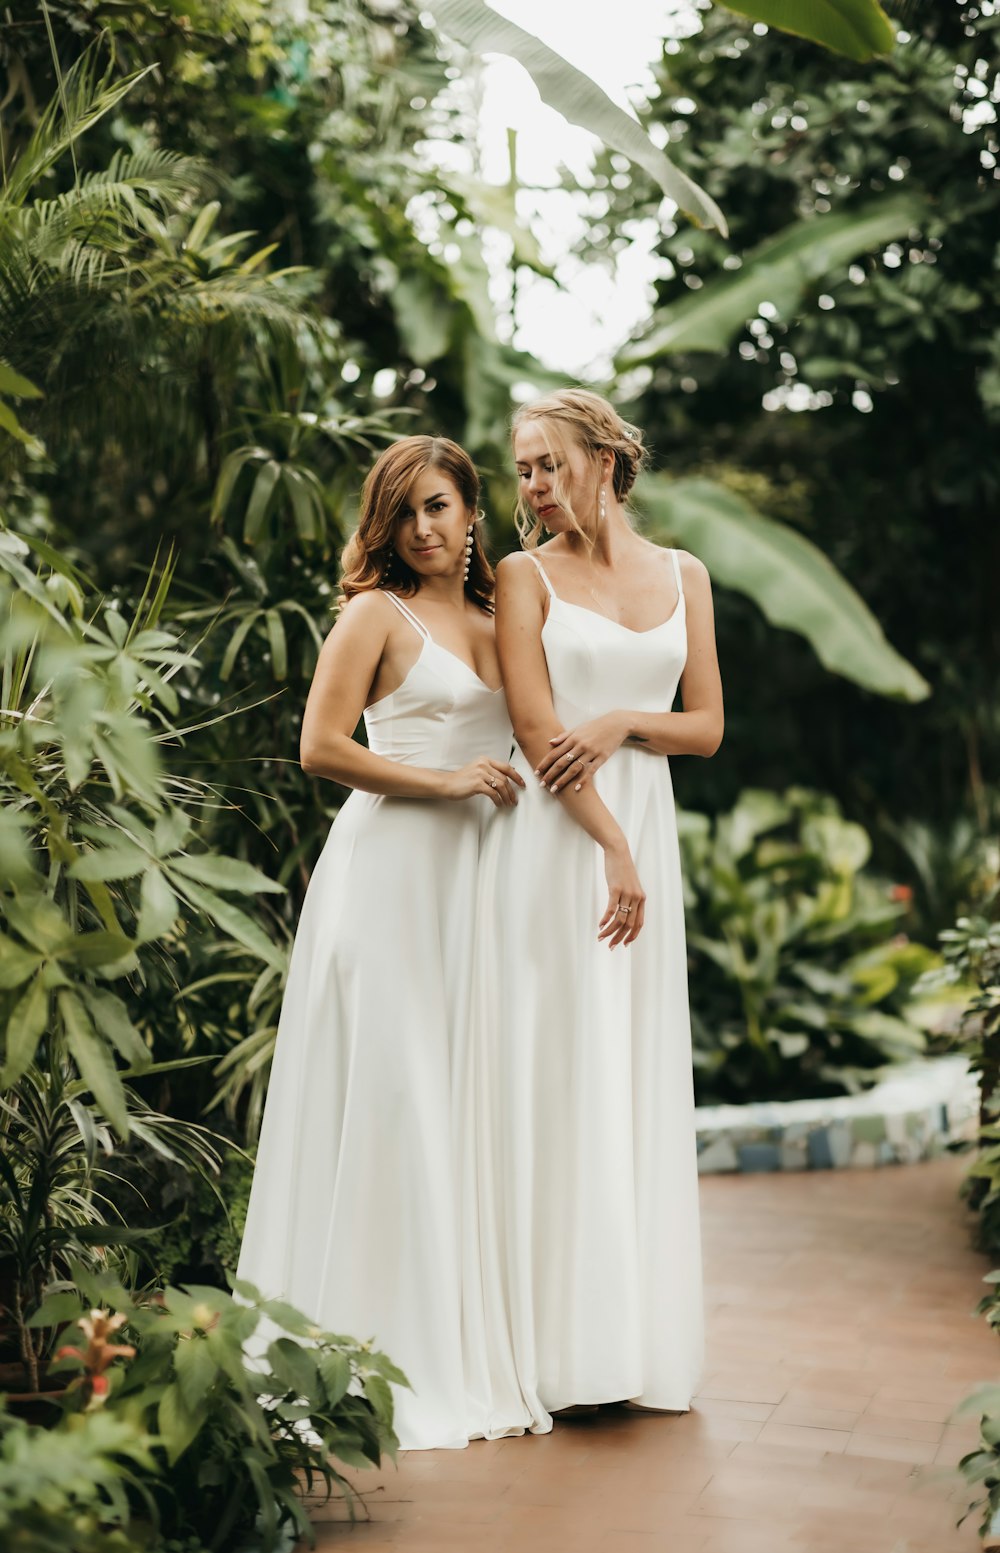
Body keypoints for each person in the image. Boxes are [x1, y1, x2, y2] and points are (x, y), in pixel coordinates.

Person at [237, 435, 523, 1451]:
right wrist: (448, 781)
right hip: (388, 877)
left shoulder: (502, 613)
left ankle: (459, 1335)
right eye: (406, 513)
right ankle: (370, 1353)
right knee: (395, 1097)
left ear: (472, 508)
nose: (426, 528)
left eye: (440, 505)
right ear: (386, 526)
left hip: (475, 889)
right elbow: (321, 745)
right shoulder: (375, 613)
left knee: (460, 1102)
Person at [462, 389, 724, 1439]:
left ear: (606, 457)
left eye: (544, 463)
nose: (529, 486)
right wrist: (608, 842)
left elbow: (703, 725)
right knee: (559, 1067)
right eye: (518, 469)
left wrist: (620, 719)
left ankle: (627, 1341)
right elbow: (532, 727)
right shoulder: (522, 577)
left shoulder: (684, 577)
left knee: (628, 1070)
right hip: (561, 842)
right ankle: (551, 1348)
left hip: (641, 830)